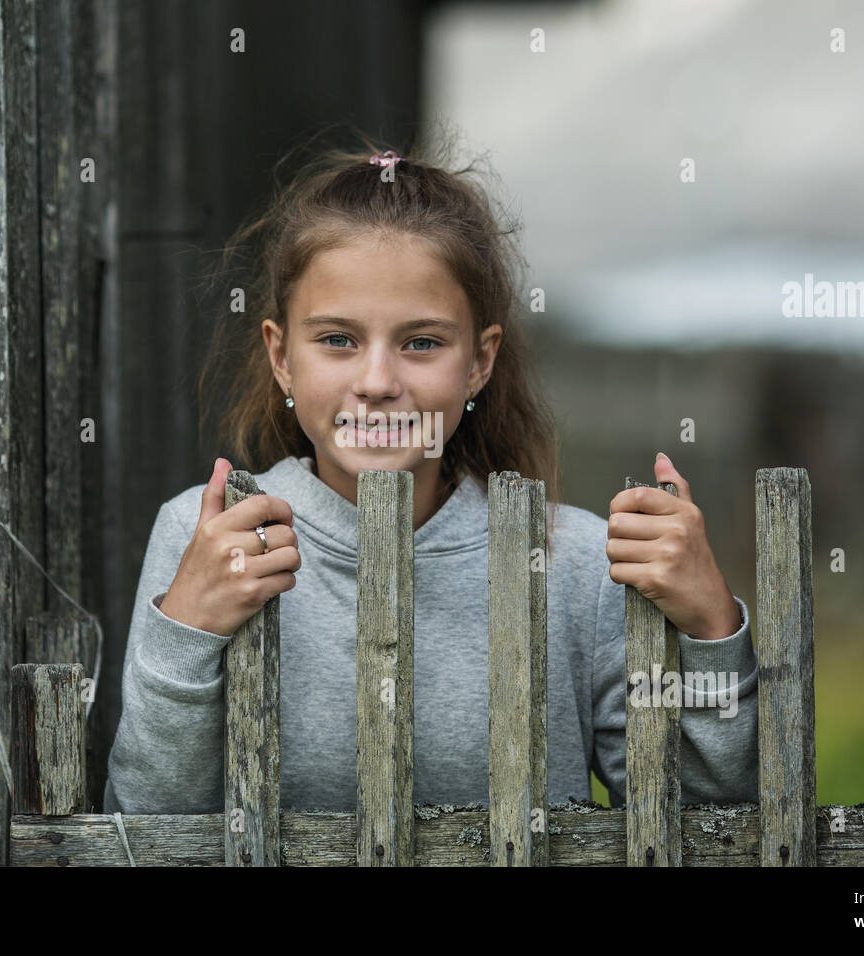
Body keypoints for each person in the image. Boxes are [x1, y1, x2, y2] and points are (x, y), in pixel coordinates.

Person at [104, 134, 758, 814]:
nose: (378, 382)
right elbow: (146, 822)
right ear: (281, 356)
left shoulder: (577, 567)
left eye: (422, 342)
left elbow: (706, 827)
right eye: (337, 340)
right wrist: (189, 630)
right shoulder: (207, 537)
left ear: (479, 361)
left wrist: (711, 626)